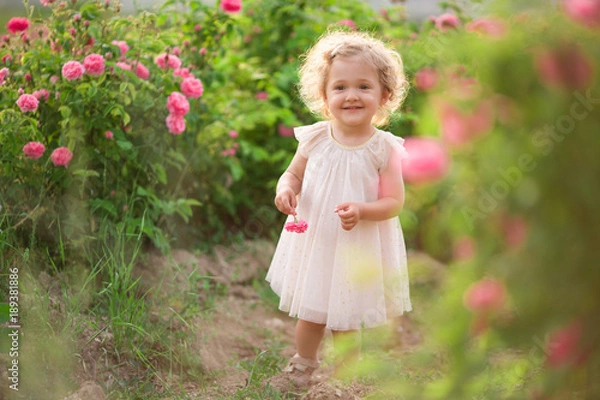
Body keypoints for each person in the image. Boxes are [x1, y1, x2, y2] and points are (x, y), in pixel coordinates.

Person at [266, 29, 412, 392]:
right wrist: (285, 189)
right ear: (324, 95)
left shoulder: (383, 149)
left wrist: (362, 209)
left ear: (384, 96)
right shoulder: (315, 138)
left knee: (346, 318)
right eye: (340, 87)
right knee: (312, 311)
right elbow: (293, 174)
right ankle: (303, 366)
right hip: (317, 240)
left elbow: (395, 202)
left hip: (357, 245)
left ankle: (343, 381)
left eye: (364, 86)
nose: (351, 96)